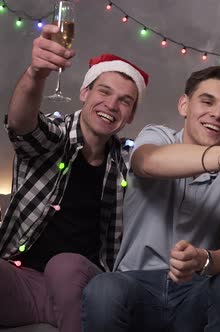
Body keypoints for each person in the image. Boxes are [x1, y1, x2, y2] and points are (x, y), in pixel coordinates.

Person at [82, 66, 220, 332]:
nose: (217, 114)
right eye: (207, 101)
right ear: (184, 105)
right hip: (135, 281)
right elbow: (148, 162)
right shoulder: (157, 136)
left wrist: (202, 259)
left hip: (195, 289)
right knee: (103, 288)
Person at [0, 24, 148, 332]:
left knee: (64, 266)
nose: (111, 105)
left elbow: (165, 158)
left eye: (125, 101)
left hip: (82, 282)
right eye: (104, 92)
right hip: (22, 277)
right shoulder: (55, 135)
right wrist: (36, 75)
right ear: (84, 93)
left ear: (131, 115)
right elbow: (21, 123)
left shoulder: (128, 159)